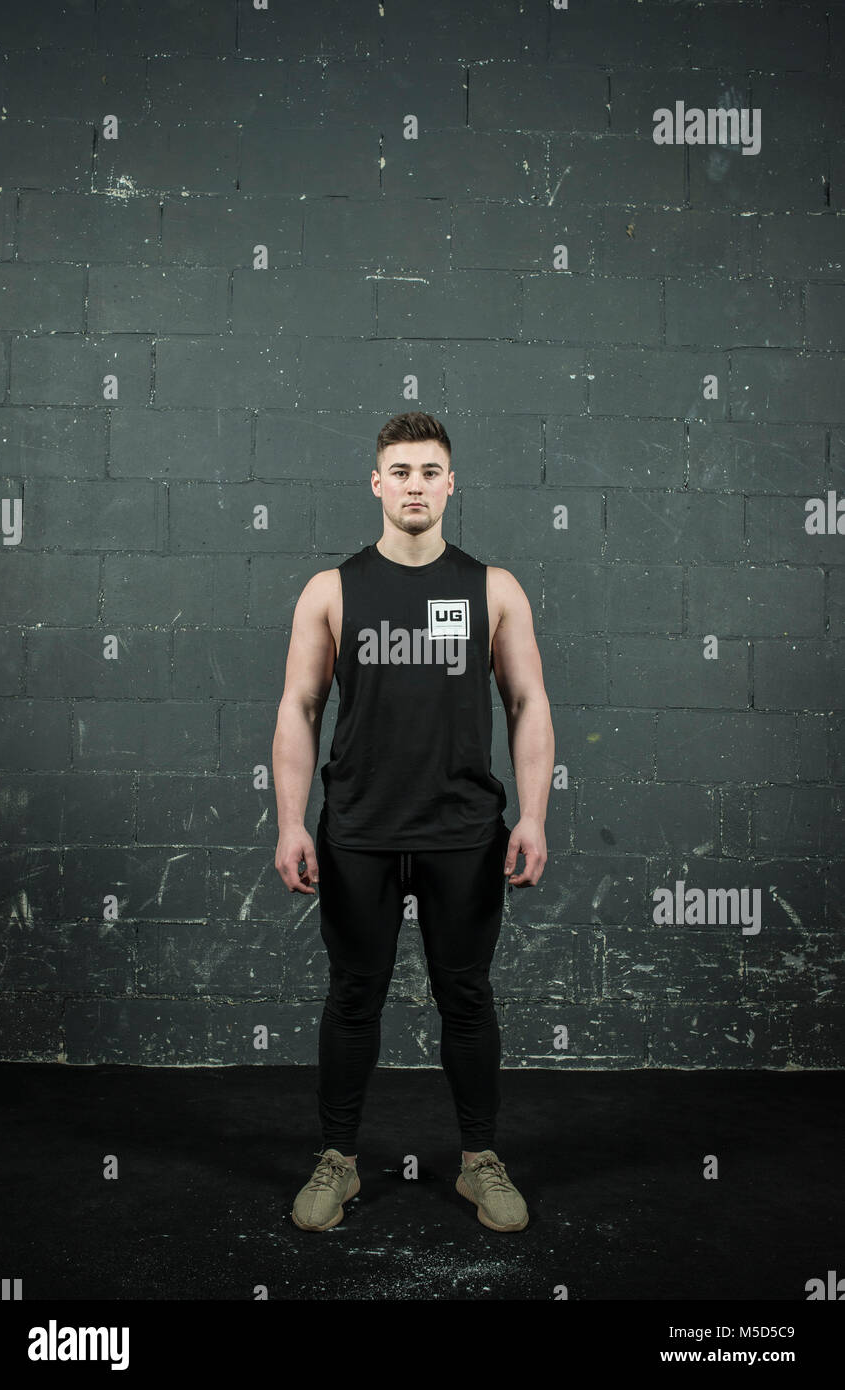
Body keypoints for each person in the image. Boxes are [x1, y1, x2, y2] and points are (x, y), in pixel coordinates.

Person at [272, 411, 554, 1233]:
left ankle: (478, 1163)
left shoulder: (490, 587)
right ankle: (338, 1162)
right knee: (353, 996)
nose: (414, 486)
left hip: (463, 830)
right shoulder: (332, 589)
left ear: (451, 483)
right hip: (356, 825)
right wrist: (292, 821)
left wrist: (531, 814)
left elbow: (527, 701)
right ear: (375, 483)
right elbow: (299, 706)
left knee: (464, 995)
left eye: (430, 471)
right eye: (400, 472)